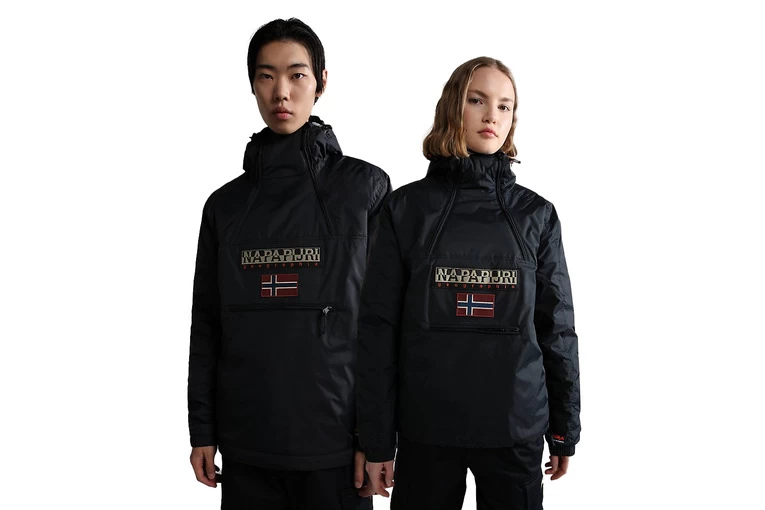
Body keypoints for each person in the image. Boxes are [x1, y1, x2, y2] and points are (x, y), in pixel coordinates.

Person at [356, 56, 580, 509]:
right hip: (427, 430)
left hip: (514, 426)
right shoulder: (405, 210)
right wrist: (376, 440)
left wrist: (563, 429)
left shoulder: (536, 215)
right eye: (477, 100)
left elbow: (556, 329)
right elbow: (378, 331)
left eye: (504, 106)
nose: (491, 115)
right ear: (452, 107)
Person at [187, 18, 390, 509]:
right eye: (266, 76)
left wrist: (377, 439)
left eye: (297, 75)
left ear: (322, 82)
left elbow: (384, 326)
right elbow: (207, 324)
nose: (281, 91)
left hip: (336, 449)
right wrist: (203, 429)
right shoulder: (224, 207)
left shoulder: (365, 190)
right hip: (247, 446)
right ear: (252, 84)